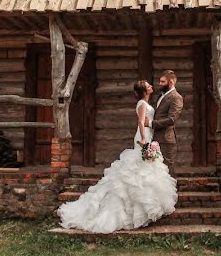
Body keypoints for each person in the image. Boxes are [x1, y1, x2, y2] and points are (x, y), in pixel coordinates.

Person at [57, 80, 177, 233]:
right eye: (148, 86)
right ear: (144, 91)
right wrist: (144, 140)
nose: (151, 86)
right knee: (139, 170)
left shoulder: (145, 102)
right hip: (144, 136)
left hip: (148, 134)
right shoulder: (141, 103)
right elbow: (140, 122)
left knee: (145, 169)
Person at [151, 70, 183, 168]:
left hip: (166, 139)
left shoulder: (176, 97)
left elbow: (171, 119)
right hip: (155, 138)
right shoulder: (161, 95)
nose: (160, 84)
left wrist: (151, 123)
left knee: (167, 169)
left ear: (171, 82)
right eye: (160, 81)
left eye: (163, 82)